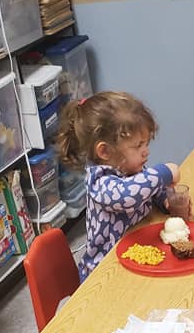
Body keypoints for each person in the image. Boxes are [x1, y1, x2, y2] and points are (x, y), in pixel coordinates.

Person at [57, 91, 180, 279]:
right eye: (138, 146)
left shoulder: (128, 167)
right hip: (104, 272)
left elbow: (149, 189)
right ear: (105, 151)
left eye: (146, 144)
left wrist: (166, 200)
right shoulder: (100, 183)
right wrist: (164, 172)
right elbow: (127, 195)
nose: (146, 152)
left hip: (134, 251)